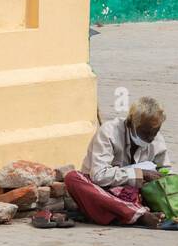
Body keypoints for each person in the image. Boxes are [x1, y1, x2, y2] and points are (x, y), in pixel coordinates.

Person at [62, 97, 169, 227]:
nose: (151, 138)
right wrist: (140, 174)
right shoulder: (109, 132)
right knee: (72, 178)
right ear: (130, 124)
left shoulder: (157, 140)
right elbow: (99, 176)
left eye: (155, 132)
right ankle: (139, 215)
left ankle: (130, 213)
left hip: (134, 195)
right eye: (145, 133)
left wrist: (164, 177)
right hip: (104, 193)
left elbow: (165, 171)